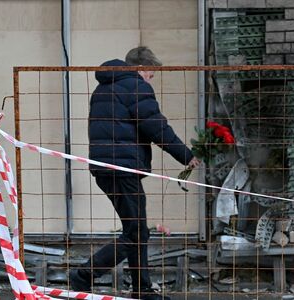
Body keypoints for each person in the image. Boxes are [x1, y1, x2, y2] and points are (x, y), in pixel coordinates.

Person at [70, 47, 200, 300]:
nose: (150, 80)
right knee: (136, 232)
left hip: (105, 167)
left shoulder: (103, 87)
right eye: (151, 74)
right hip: (123, 168)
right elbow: (156, 126)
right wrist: (186, 155)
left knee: (135, 229)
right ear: (142, 68)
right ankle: (84, 274)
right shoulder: (135, 86)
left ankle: (142, 288)